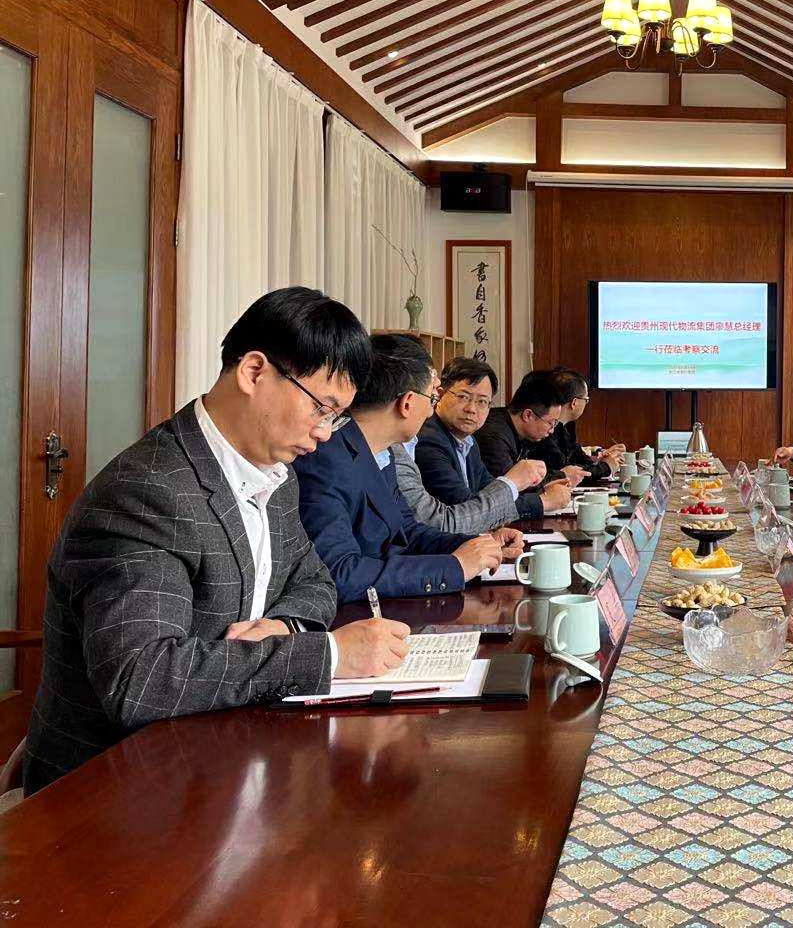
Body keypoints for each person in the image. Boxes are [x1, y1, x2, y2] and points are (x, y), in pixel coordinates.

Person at [24, 287, 412, 794]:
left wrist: (284, 626)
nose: (324, 432)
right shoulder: (148, 491)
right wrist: (329, 654)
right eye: (322, 407)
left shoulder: (276, 475)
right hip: (115, 794)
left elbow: (316, 582)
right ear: (254, 372)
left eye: (335, 417)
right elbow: (143, 678)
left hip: (225, 763)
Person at [294, 333, 522, 603]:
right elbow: (339, 573)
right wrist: (456, 566)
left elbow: (407, 532)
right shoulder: (325, 458)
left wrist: (478, 544)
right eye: (432, 399)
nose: (431, 412)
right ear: (408, 403)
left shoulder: (383, 452)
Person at [412, 356, 547, 528]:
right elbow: (466, 507)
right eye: (463, 397)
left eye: (482, 401)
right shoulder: (428, 440)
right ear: (440, 394)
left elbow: (488, 489)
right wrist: (542, 501)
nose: (471, 409)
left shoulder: (468, 440)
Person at [473, 371, 576, 519]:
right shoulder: (493, 437)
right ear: (528, 415)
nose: (552, 431)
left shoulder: (521, 433)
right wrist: (545, 499)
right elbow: (505, 493)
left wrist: (543, 486)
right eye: (551, 423)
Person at [533, 368, 624, 483]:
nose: (586, 404)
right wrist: (605, 467)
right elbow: (568, 473)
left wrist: (601, 461)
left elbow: (580, 460)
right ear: (574, 403)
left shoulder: (566, 427)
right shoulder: (545, 432)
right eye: (586, 400)